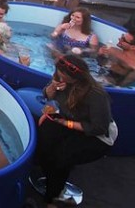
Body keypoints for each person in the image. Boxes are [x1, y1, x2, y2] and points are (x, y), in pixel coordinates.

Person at [35, 54, 116, 206]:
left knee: (61, 158)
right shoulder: (61, 80)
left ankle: (52, 198)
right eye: (58, 73)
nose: (60, 76)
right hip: (69, 120)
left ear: (75, 77)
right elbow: (46, 95)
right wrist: (53, 86)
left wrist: (66, 123)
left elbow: (98, 127)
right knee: (44, 138)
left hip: (96, 136)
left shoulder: (95, 94)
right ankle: (49, 176)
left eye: (63, 75)